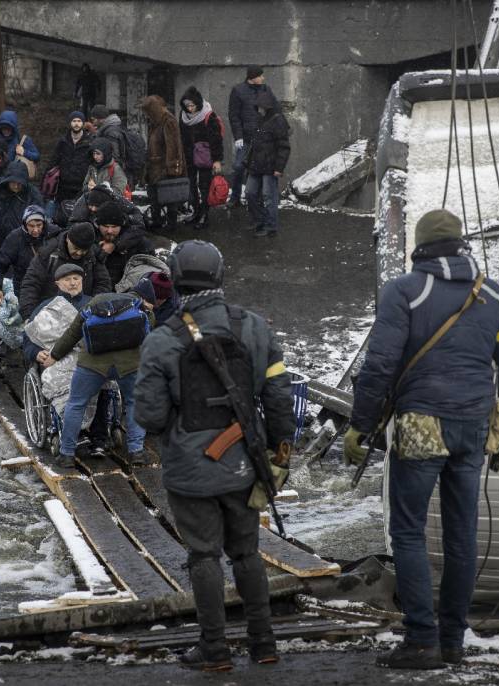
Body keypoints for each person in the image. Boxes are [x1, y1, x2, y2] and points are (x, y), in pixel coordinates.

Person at [342, 209, 499, 670]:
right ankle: (453, 641)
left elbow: (380, 363)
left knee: (408, 530)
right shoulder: (490, 292)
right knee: (461, 533)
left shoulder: (406, 290)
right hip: (473, 424)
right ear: (460, 244)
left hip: (422, 421)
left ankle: (422, 640)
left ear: (419, 247)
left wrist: (360, 425)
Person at [133, 240, 295, 671]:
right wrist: (279, 455)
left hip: (189, 471)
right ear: (220, 277)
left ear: (178, 281)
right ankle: (264, 643)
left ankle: (214, 648)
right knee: (247, 552)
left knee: (203, 556)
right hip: (246, 463)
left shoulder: (162, 340)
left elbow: (148, 415)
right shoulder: (255, 327)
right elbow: (279, 396)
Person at [39, 287, 153, 467]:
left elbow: (72, 333)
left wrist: (54, 357)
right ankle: (136, 452)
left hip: (92, 364)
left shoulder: (92, 303)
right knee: (135, 402)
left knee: (76, 404)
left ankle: (67, 454)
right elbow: (148, 332)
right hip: (130, 364)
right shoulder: (137, 306)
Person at [19, 222, 112, 319]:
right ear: (68, 239)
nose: (79, 253)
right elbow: (31, 283)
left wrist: (92, 309)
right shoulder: (48, 252)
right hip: (48, 313)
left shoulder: (94, 257)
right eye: (76, 248)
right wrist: (29, 316)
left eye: (84, 250)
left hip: (82, 313)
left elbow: (103, 283)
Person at [0, 159, 45, 262]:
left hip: (20, 244)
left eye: (19, 183)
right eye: (13, 182)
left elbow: (40, 221)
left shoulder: (33, 195)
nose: (16, 186)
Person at [0, 205, 62, 306]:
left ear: (44, 223)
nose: (35, 230)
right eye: (31, 226)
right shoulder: (15, 238)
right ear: (24, 224)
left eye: (39, 225)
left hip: (51, 285)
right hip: (25, 286)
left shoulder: (55, 233)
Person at [228, 66, 276, 207]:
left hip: (263, 139)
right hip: (246, 138)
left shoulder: (265, 89)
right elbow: (234, 115)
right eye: (260, 75)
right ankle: (235, 198)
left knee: (258, 169)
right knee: (238, 167)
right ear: (252, 77)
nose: (263, 78)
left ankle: (255, 200)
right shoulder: (238, 91)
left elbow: (274, 109)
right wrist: (238, 137)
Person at [244, 90, 290, 237]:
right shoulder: (260, 119)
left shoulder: (278, 120)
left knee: (268, 196)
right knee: (250, 193)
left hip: (270, 166)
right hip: (256, 164)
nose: (259, 110)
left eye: (261, 107)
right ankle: (259, 221)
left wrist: (279, 168)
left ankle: (270, 226)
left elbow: (284, 146)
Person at [178, 86, 224, 229]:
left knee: (204, 186)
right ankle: (196, 212)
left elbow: (216, 140)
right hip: (189, 155)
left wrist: (217, 160)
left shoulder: (209, 115)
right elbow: (181, 137)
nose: (190, 109)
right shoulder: (183, 116)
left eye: (192, 105)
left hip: (205, 156)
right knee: (191, 185)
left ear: (198, 103)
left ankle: (204, 214)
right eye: (187, 106)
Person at [142, 95, 186, 231]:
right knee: (155, 196)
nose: (147, 115)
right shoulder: (156, 122)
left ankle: (171, 224)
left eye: (149, 111)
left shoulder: (168, 121)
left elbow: (173, 147)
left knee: (169, 196)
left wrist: (172, 168)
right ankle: (157, 222)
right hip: (155, 166)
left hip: (164, 167)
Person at [45, 111, 92, 219]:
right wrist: (47, 181)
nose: (76, 124)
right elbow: (53, 162)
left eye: (79, 121)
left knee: (79, 217)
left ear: (83, 123)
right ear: (70, 123)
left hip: (81, 188)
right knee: (60, 218)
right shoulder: (62, 142)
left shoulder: (90, 143)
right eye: (74, 121)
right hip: (62, 188)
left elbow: (93, 165)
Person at [94, 200, 151, 287]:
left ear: (122, 225)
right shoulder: (91, 240)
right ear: (98, 225)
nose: (109, 231)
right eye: (105, 226)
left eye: (114, 227)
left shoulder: (139, 244)